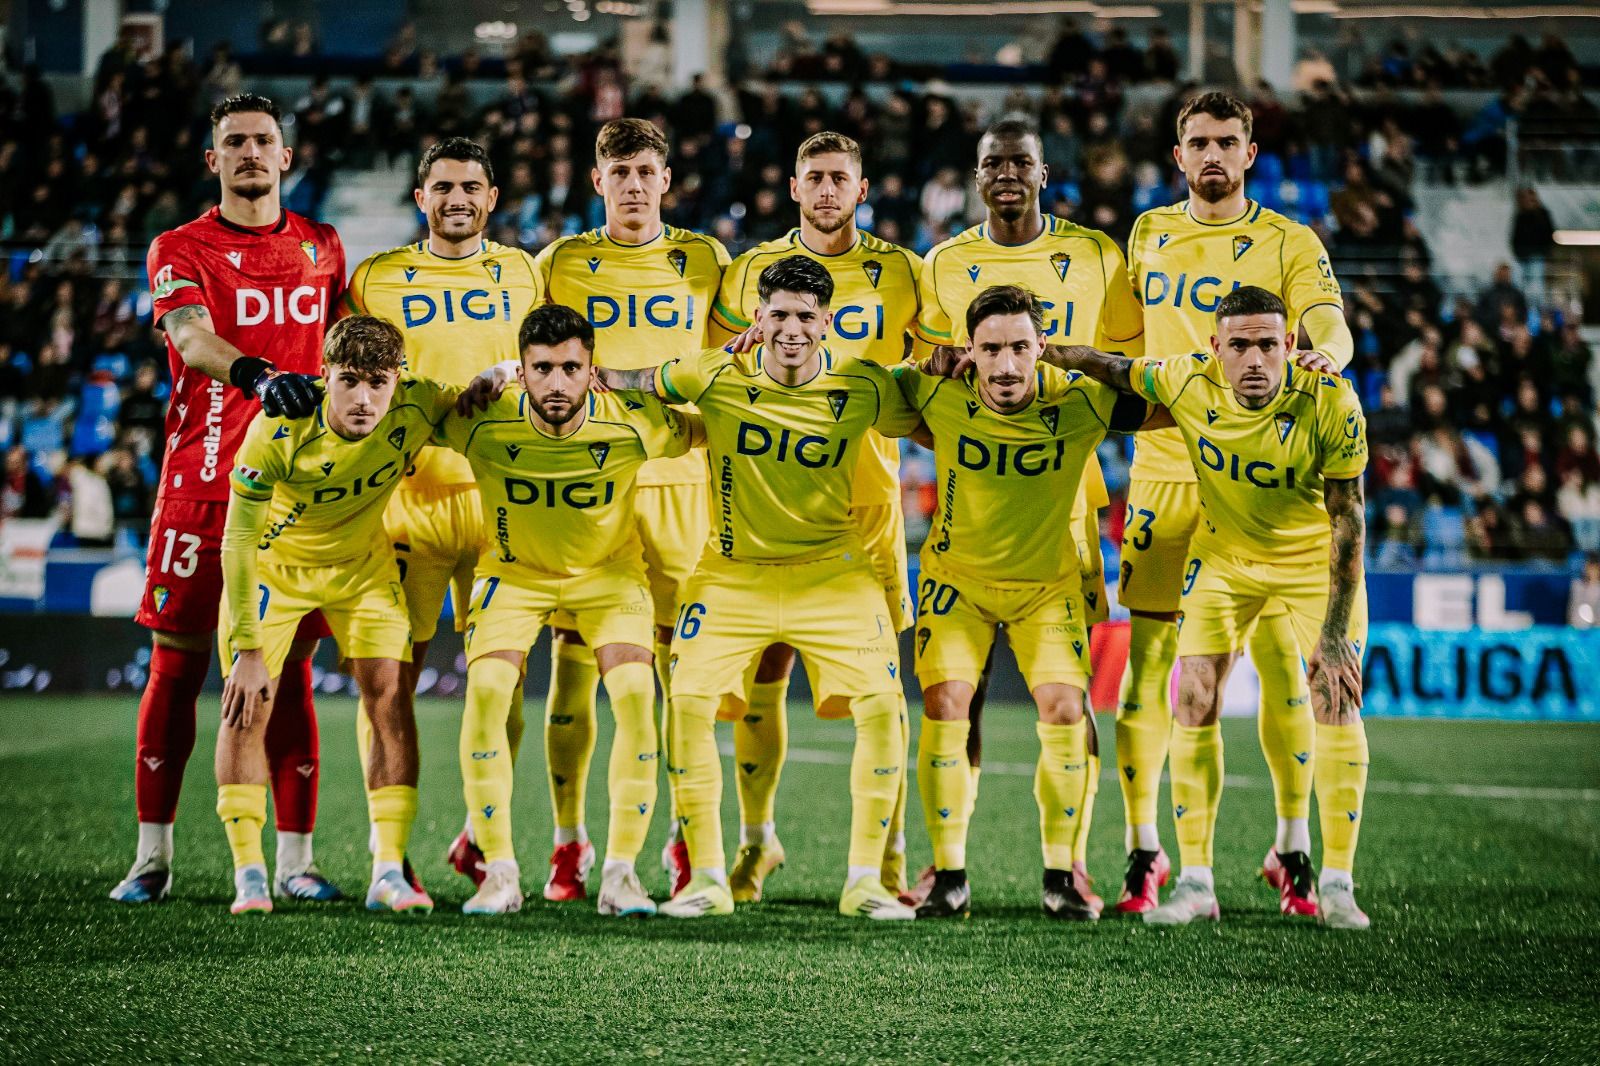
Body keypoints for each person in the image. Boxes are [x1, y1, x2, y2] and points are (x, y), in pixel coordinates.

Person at [597, 255, 921, 921]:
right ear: (757, 318)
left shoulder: (864, 384)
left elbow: (932, 410)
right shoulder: (713, 371)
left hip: (833, 571)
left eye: (806, 316)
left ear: (829, 323)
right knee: (683, 700)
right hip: (731, 573)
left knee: (884, 706)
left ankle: (866, 880)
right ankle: (707, 879)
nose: (792, 329)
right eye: (779, 315)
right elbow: (632, 380)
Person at [1054, 286, 1373, 931]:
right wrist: (1046, 349)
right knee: (1193, 695)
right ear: (1215, 350)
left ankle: (1337, 882)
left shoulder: (1331, 401)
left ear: (1290, 346)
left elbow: (1348, 520)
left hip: (1313, 565)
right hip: (1223, 560)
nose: (1254, 359)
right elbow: (1114, 367)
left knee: (1333, 696)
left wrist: (1336, 633)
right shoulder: (1188, 381)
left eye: (1267, 344)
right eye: (1239, 346)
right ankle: (1196, 880)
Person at [1117, 90, 1355, 917]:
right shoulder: (1147, 233)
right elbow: (1120, 348)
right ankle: (1147, 849)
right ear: (1176, 155)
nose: (1211, 155)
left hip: (1261, 471)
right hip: (1165, 468)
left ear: (1250, 154)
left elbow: (1327, 317)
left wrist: (1327, 351)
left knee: (1289, 669)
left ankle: (1292, 848)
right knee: (1160, 669)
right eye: (1197, 142)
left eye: (1226, 142)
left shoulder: (1289, 240)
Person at [111, 93, 346, 906]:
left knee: (288, 675)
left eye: (264, 141)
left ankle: (297, 861)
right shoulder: (180, 247)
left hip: (298, 495)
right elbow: (190, 338)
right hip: (202, 486)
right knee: (173, 670)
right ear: (213, 160)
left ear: (286, 157)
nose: (251, 152)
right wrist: (255, 374)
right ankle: (152, 858)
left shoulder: (323, 246)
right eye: (234, 142)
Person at [912, 117, 1145, 910]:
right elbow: (924, 366)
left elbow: (1129, 364)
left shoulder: (1096, 254)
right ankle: (945, 858)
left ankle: (1069, 860)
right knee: (959, 695)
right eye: (992, 164)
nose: (1006, 175)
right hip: (976, 487)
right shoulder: (943, 263)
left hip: (1067, 495)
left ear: (1045, 173)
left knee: (1065, 693)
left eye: (1020, 163)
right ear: (976, 177)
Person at [706, 130, 924, 903]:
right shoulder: (746, 274)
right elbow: (719, 377)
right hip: (769, 505)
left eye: (841, 178)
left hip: (866, 507)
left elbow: (929, 374)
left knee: (883, 691)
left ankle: (889, 861)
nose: (827, 189)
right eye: (814, 177)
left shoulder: (903, 272)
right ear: (793, 187)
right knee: (764, 671)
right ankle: (757, 844)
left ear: (862, 190)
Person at [436, 304, 703, 917]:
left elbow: (713, 421)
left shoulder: (634, 422)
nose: (557, 383)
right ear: (521, 370)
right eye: (541, 368)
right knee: (486, 696)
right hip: (514, 575)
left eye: (571, 368)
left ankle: (620, 875)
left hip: (611, 578)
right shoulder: (481, 419)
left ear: (592, 371)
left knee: (638, 697)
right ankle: (499, 873)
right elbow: (407, 406)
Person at [530, 118, 730, 901]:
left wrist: (643, 379)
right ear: (597, 181)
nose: (635, 185)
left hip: (683, 482)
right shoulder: (563, 262)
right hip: (590, 485)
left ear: (667, 179)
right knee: (574, 671)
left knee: (686, 678)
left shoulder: (706, 259)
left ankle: (685, 839)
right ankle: (569, 842)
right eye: (621, 172)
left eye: (648, 170)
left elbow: (727, 360)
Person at [340, 136, 542, 892]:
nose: (458, 199)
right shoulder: (377, 278)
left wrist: (511, 373)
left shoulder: (525, 271)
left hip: (499, 505)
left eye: (472, 187)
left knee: (504, 680)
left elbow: (550, 357)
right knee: (390, 682)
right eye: (443, 187)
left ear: (492, 198)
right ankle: (388, 861)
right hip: (403, 506)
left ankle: (478, 832)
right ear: (420, 198)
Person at [216, 315, 459, 916]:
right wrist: (247, 650)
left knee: (391, 700)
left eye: (379, 382)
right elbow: (236, 543)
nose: (365, 397)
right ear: (324, 376)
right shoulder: (276, 429)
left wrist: (501, 375)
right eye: (349, 380)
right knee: (248, 705)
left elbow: (482, 403)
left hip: (362, 569)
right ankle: (250, 874)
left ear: (398, 381)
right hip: (274, 570)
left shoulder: (418, 406)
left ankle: (387, 872)